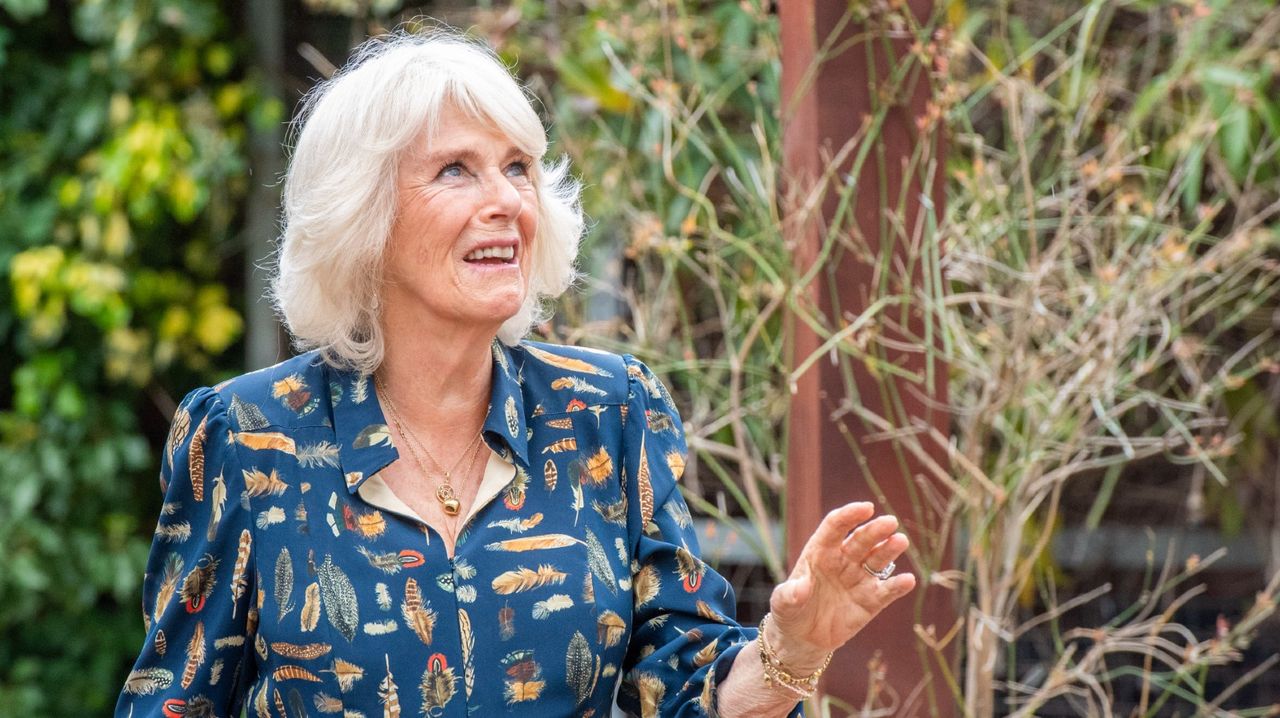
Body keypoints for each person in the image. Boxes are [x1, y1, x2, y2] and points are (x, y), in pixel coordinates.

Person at [115, 30, 915, 718]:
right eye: (456, 170)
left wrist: (792, 647)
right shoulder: (247, 436)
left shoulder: (610, 411)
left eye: (518, 167)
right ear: (365, 215)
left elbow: (680, 693)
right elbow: (172, 698)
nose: (505, 199)